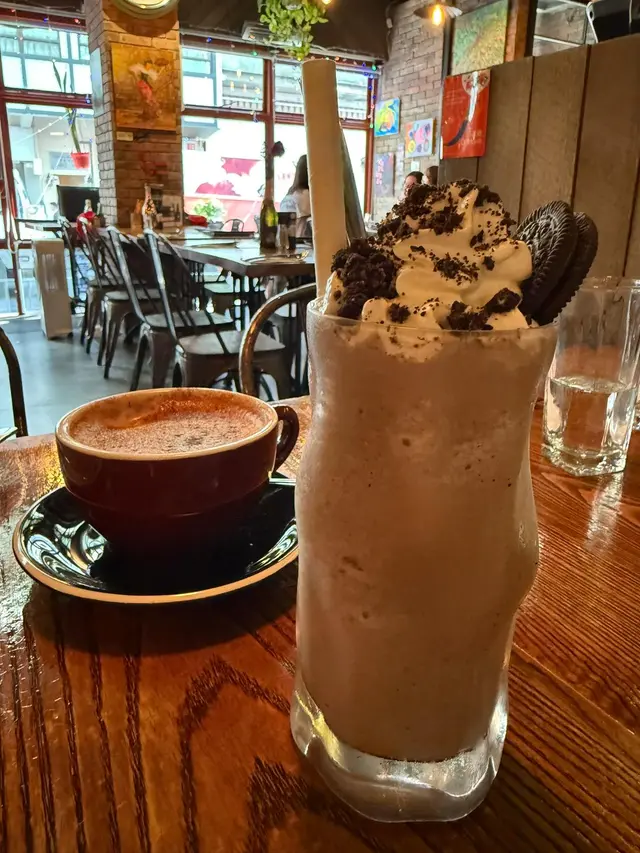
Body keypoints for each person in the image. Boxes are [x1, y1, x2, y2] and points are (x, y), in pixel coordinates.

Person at [280, 155, 311, 237]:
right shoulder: (313, 196)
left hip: (295, 242)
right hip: (309, 243)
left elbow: (283, 229)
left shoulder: (292, 196)